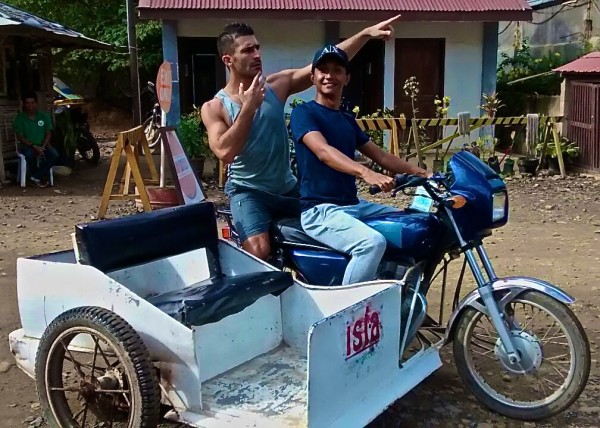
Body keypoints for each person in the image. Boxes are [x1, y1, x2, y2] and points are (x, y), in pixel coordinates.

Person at [201, 16, 400, 260]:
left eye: (257, 48)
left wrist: (365, 34)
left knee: (332, 232)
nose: (256, 54)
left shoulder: (276, 86)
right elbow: (225, 152)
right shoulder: (215, 107)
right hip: (249, 192)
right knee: (259, 253)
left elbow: (324, 63)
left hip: (288, 187)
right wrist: (249, 108)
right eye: (248, 50)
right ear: (228, 60)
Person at [289, 45, 429, 285]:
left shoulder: (346, 119)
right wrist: (365, 173)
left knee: (414, 224)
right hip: (320, 211)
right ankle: (348, 315)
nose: (329, 76)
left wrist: (424, 173)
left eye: (337, 70)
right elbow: (323, 151)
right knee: (371, 244)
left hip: (352, 205)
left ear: (347, 77)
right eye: (322, 70)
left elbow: (381, 156)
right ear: (312, 77)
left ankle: (403, 296)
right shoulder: (304, 113)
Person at [14, 92, 58, 188]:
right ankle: (37, 177)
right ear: (24, 104)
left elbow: (48, 133)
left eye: (32, 102)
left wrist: (43, 146)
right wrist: (34, 146)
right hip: (28, 146)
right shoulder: (20, 119)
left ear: (36, 103)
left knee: (54, 155)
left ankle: (35, 177)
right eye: (28, 103)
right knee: (30, 154)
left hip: (43, 145)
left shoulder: (44, 116)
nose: (30, 105)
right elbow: (20, 137)